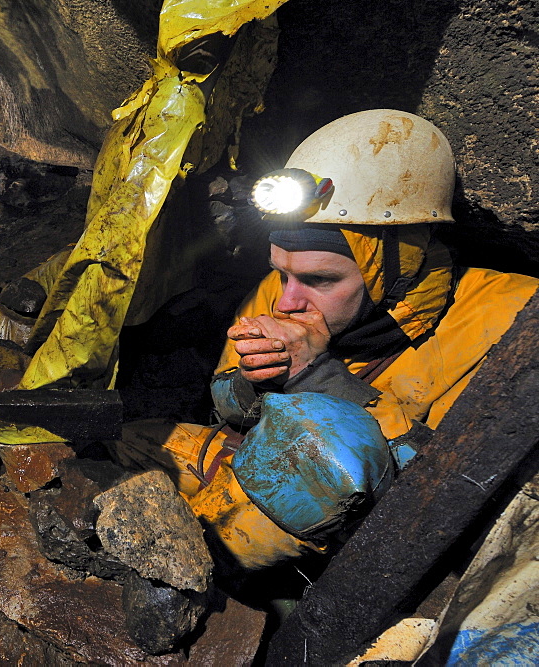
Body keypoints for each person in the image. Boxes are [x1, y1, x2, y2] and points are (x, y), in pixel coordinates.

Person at [112, 109, 538, 574]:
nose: (288, 300)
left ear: (398, 261)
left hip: (377, 533)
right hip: (267, 463)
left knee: (312, 478)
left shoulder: (513, 319)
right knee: (132, 440)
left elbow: (470, 501)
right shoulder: (277, 291)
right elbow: (227, 406)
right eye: (281, 272)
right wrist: (253, 384)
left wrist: (319, 378)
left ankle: (208, 585)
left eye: (321, 279)